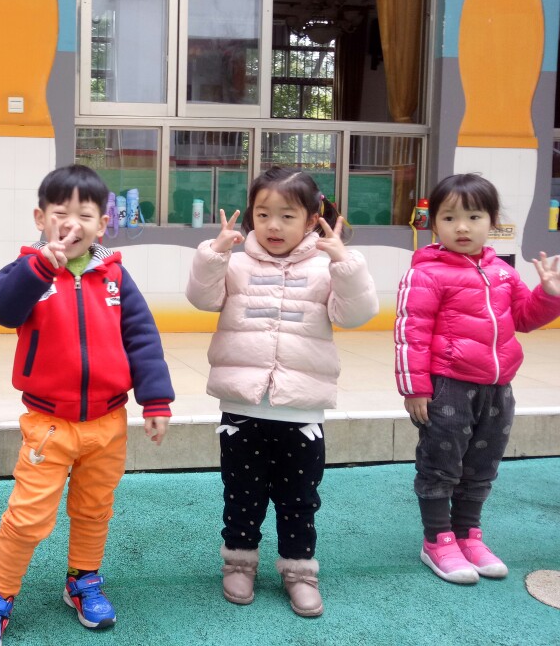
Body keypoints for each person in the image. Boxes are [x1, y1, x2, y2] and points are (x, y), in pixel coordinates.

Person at [0, 164, 174, 646]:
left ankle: (83, 579)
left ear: (103, 224)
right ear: (41, 218)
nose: (72, 224)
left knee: (95, 508)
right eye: (61, 213)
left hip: (108, 421)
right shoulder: (28, 270)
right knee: (27, 516)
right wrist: (42, 267)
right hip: (49, 425)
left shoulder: (115, 276)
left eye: (85, 214)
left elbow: (142, 338)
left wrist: (156, 401)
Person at [186, 166, 378, 618]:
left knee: (299, 500)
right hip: (242, 408)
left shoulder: (327, 267)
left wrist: (345, 263)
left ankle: (299, 572)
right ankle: (239, 563)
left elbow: (355, 314)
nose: (273, 225)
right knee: (242, 494)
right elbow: (202, 298)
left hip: (301, 413)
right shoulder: (235, 263)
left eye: (287, 216)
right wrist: (213, 253)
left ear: (311, 220)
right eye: (263, 214)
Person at [395, 173, 560, 584]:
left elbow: (523, 318)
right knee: (441, 464)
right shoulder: (426, 273)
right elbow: (411, 333)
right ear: (434, 224)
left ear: (492, 221)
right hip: (448, 385)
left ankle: (468, 535)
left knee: (482, 465)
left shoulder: (502, 272)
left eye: (474, 217)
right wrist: (415, 388)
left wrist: (549, 295)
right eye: (449, 218)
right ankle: (437, 540)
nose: (462, 227)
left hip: (498, 389)